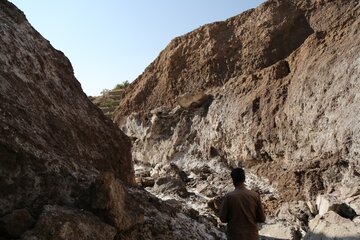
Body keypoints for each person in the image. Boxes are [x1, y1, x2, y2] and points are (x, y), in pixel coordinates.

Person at [219, 168, 266, 240]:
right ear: (244, 179)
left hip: (235, 236)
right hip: (252, 236)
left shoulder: (229, 197)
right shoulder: (255, 195)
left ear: (233, 180)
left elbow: (223, 218)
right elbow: (262, 218)